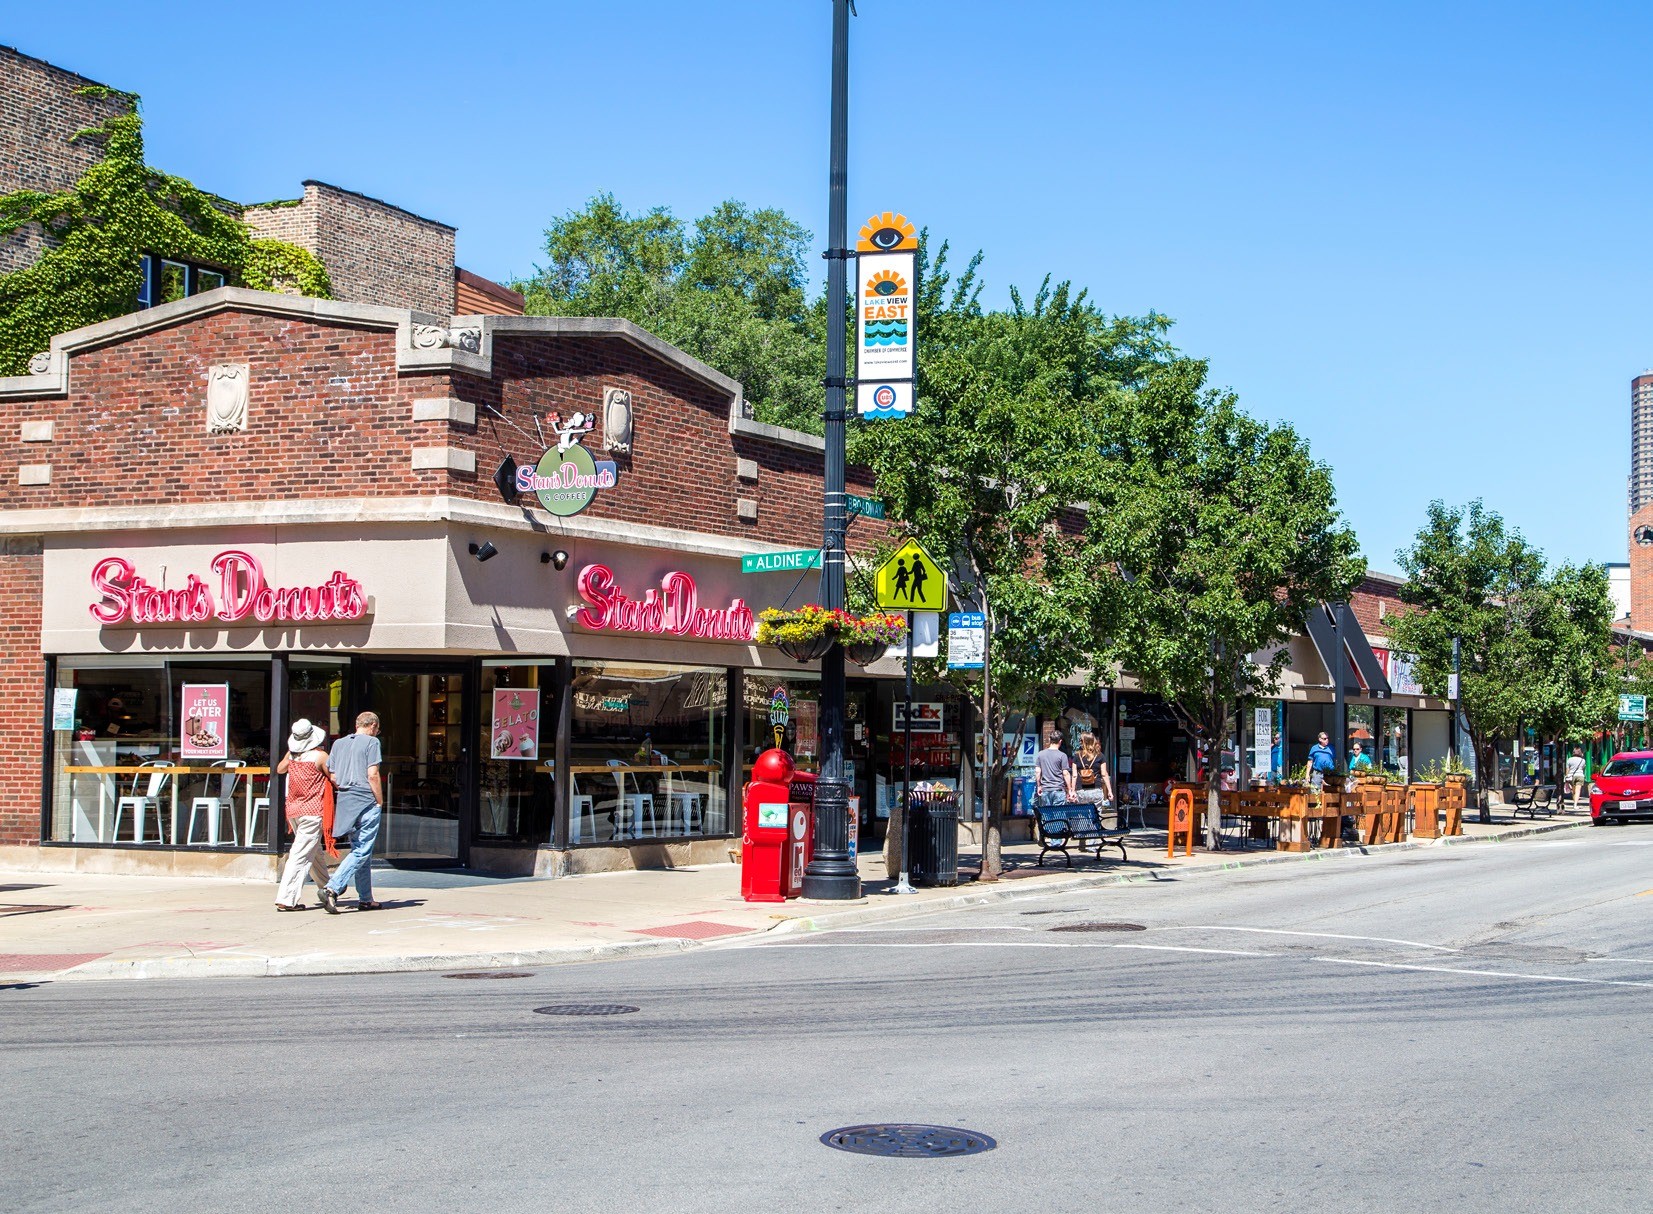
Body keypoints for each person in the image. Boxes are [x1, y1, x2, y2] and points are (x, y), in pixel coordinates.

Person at [320, 711, 384, 913]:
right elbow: (372, 774)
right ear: (373, 726)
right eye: (377, 729)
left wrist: (345, 786)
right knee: (362, 849)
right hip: (366, 798)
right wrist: (380, 801)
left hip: (346, 798)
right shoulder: (372, 743)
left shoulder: (339, 744)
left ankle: (366, 898)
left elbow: (334, 776)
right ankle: (332, 887)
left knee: (361, 848)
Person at [274, 718, 336, 911]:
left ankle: (330, 888)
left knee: (313, 852)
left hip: (294, 809)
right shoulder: (320, 756)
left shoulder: (293, 755)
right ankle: (286, 898)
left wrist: (291, 755)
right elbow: (334, 778)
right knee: (300, 855)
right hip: (313, 811)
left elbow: (280, 769)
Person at [1071, 730, 1114, 807]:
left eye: (1081, 740)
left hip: (1081, 791)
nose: (1080, 742)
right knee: (1097, 815)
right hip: (1096, 790)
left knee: (1083, 816)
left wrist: (1072, 791)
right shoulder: (1100, 756)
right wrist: (1109, 791)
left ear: (1084, 742)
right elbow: (1104, 775)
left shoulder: (1077, 756)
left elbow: (1074, 776)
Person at [1034, 728, 1074, 807]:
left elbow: (1038, 772)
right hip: (1058, 790)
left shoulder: (1040, 754)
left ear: (1049, 740)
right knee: (1059, 816)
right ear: (1060, 741)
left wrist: (1039, 786)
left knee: (1046, 817)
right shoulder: (1062, 755)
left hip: (1045, 790)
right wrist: (1070, 789)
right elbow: (1065, 773)